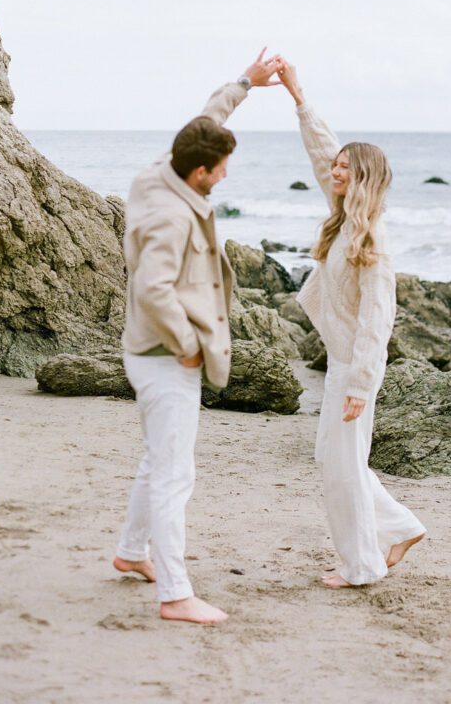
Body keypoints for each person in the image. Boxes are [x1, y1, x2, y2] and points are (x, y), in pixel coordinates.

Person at [112, 49, 281, 624]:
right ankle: (176, 595)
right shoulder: (172, 216)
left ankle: (132, 554)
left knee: (157, 460)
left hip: (150, 352)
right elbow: (154, 290)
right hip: (165, 358)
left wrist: (245, 84)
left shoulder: (161, 170)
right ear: (198, 173)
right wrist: (187, 343)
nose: (226, 176)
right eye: (221, 169)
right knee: (174, 475)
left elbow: (205, 120)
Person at [277, 59, 426, 588]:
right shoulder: (345, 219)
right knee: (335, 460)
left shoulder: (373, 240)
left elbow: (377, 318)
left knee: (341, 470)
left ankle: (362, 565)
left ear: (364, 177)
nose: (335, 171)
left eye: (345, 168)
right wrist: (298, 96)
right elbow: (321, 153)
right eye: (335, 166)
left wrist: (362, 382)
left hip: (355, 366)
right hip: (341, 361)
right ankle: (402, 527)